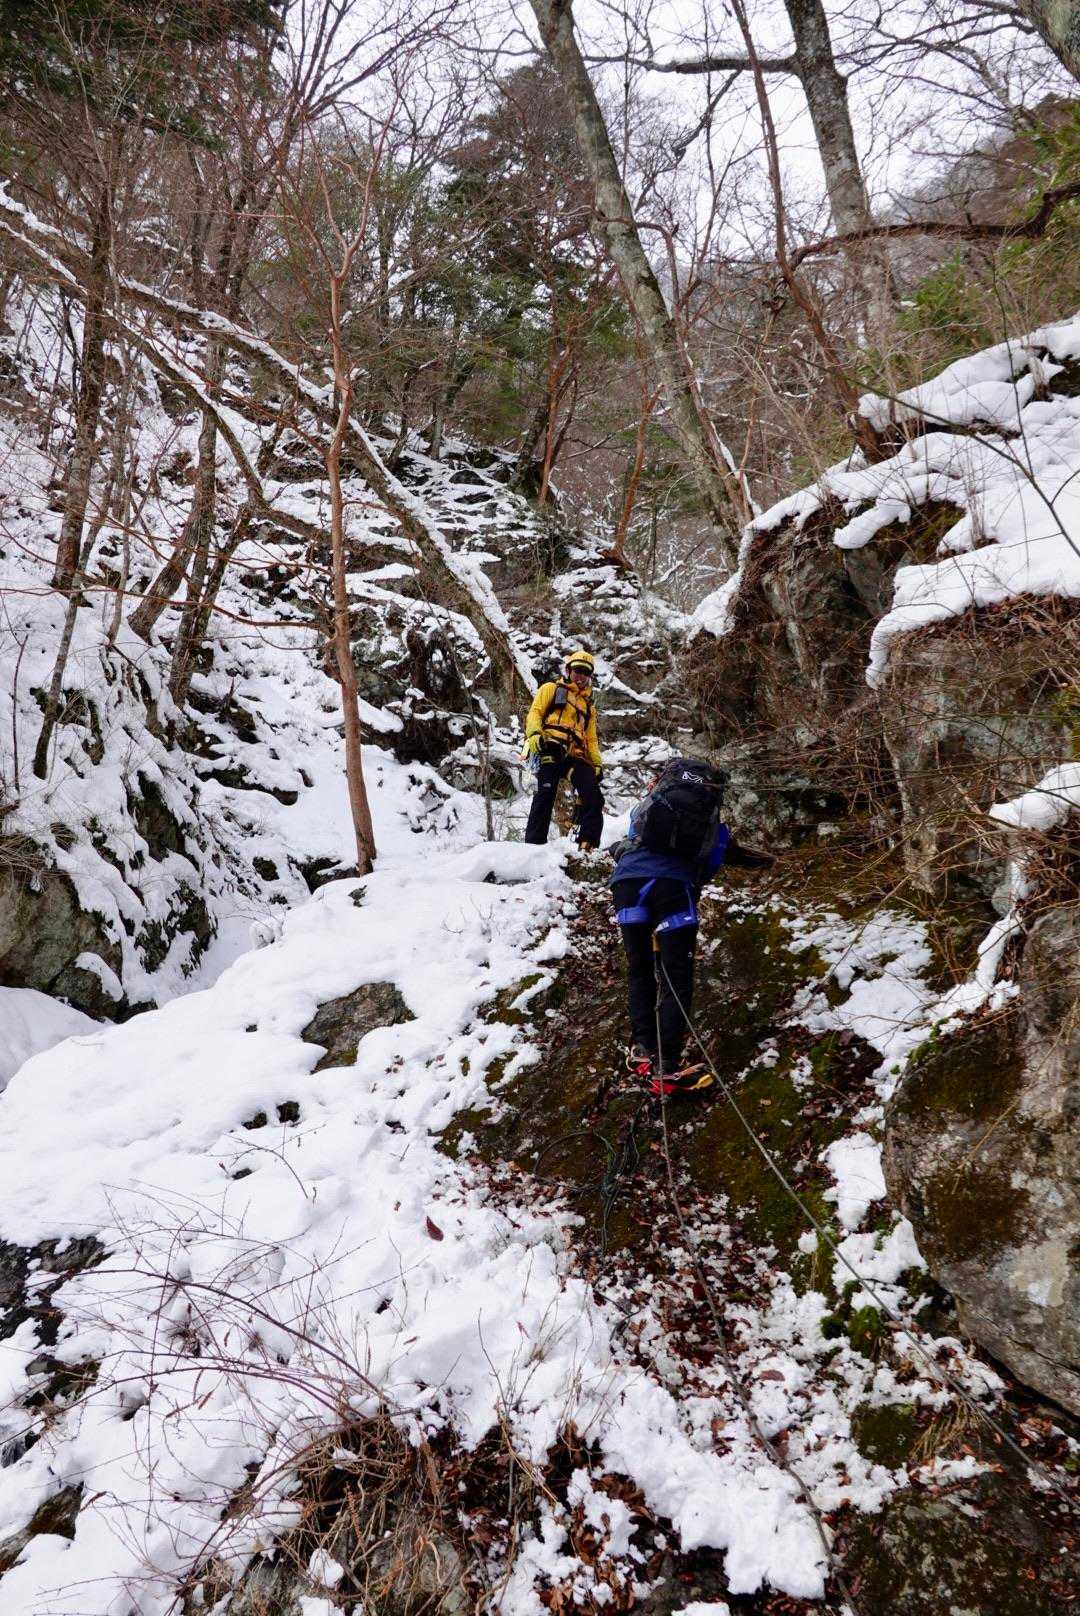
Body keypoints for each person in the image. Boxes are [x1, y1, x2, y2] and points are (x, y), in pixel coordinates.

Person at [610, 756, 765, 1097]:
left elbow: (630, 843)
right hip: (672, 888)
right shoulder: (707, 816)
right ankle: (667, 1067)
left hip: (627, 886)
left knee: (639, 967)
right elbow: (712, 858)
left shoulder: (647, 807)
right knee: (674, 974)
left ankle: (642, 1049)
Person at [522, 649, 604, 849]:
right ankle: (533, 847)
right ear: (568, 671)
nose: (581, 676)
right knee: (545, 794)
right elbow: (535, 712)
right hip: (550, 746)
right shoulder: (551, 688)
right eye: (577, 671)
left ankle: (587, 846)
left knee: (593, 795)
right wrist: (534, 734)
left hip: (575, 755)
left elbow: (591, 739)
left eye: (586, 673)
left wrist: (597, 764)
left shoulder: (589, 708)